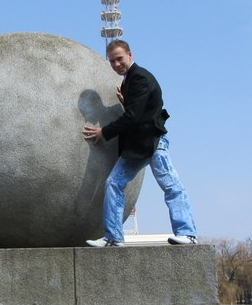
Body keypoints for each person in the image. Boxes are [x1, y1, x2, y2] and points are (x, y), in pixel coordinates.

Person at [82, 40, 197, 247]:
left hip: (152, 142)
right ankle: (114, 237)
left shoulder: (140, 78)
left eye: (119, 59)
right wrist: (126, 100)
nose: (116, 64)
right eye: (112, 61)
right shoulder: (129, 81)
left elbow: (134, 116)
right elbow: (139, 109)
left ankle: (187, 233)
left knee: (171, 185)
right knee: (114, 183)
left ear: (129, 55)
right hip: (137, 146)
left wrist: (104, 132)